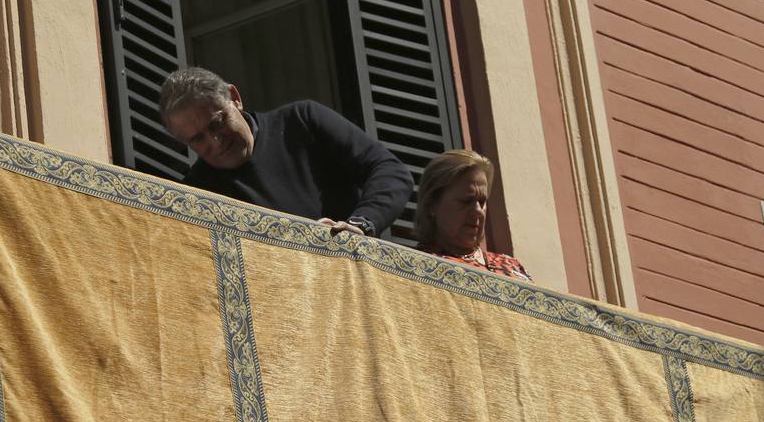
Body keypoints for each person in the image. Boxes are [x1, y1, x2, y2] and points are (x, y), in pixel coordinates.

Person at [159, 67, 412, 238]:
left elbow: (390, 171)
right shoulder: (195, 195)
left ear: (234, 98)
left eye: (217, 122)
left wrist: (361, 224)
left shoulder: (302, 121)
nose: (215, 141)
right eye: (197, 139)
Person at [415, 150, 531, 281]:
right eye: (466, 201)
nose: (478, 211)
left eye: (482, 202)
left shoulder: (512, 267)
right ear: (432, 204)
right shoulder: (415, 268)